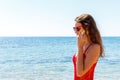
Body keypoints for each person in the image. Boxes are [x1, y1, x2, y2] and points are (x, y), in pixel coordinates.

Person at [72, 14, 104, 80]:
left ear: (87, 28)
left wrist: (80, 48)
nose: (75, 32)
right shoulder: (83, 44)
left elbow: (80, 73)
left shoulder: (95, 47)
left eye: (78, 28)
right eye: (74, 28)